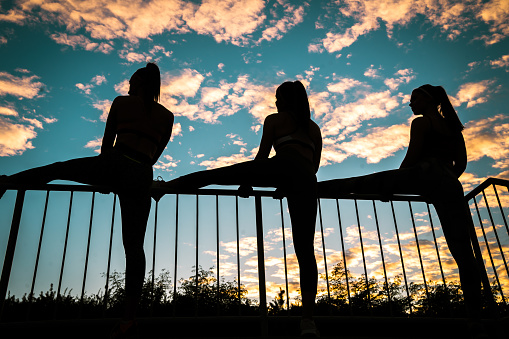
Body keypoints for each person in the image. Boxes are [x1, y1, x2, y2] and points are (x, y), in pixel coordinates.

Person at [0, 63, 174, 338]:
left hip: (116, 163)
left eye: (131, 80)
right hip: (142, 173)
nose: (128, 85)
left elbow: (107, 146)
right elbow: (155, 155)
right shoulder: (167, 116)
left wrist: (106, 179)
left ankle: (8, 181)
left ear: (139, 82)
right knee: (134, 247)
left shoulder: (121, 103)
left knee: (59, 169)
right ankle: (129, 320)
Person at [317, 85, 491, 337]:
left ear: (428, 101)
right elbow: (461, 164)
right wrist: (442, 183)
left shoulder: (422, 123)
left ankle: (310, 188)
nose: (411, 104)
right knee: (464, 252)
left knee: (360, 183)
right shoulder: (454, 128)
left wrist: (394, 185)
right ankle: (476, 318)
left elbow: (412, 157)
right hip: (451, 185)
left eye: (414, 98)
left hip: (424, 175)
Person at [154, 80, 322, 337]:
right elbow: (312, 166)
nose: (276, 102)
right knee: (305, 250)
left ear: (287, 100)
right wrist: (286, 188)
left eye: (279, 98)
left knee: (218, 174)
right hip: (307, 182)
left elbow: (262, 157)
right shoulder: (314, 129)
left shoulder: (275, 120)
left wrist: (247, 182)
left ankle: (165, 188)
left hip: (282, 169)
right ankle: (308, 321)